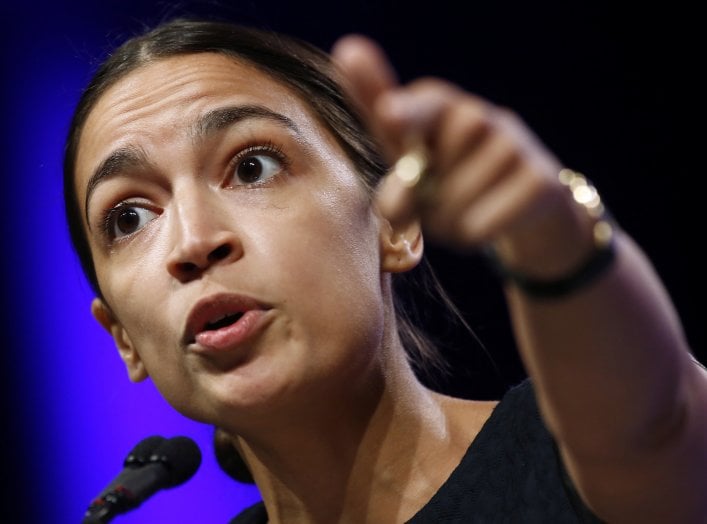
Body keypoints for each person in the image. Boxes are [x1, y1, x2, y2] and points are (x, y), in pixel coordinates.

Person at [63, 16, 707, 523]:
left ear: (392, 223)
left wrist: (557, 242)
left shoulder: (571, 453)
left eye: (252, 166)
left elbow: (664, 424)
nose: (193, 242)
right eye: (129, 217)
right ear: (122, 336)